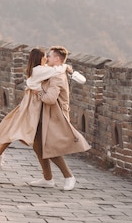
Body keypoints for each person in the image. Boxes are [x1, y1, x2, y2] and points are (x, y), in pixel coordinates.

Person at [0, 48, 70, 170]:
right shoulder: (39, 71)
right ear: (40, 58)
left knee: (17, 127)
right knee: (18, 129)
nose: (47, 59)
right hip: (33, 104)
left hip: (31, 103)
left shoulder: (37, 70)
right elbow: (55, 70)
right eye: (45, 56)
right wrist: (66, 67)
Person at [29, 45, 90, 191]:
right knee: (37, 144)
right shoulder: (52, 72)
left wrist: (38, 93)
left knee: (50, 147)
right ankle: (47, 178)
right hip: (45, 115)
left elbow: (50, 98)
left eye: (49, 56)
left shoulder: (57, 76)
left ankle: (69, 177)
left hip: (55, 116)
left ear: (57, 59)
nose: (46, 58)